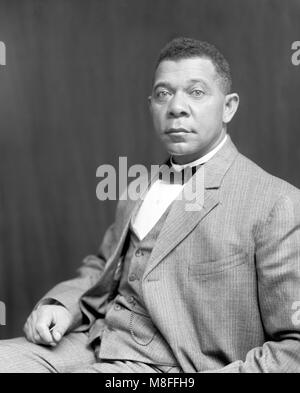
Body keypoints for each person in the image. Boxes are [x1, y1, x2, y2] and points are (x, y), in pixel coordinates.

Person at [1, 36, 300, 373]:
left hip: (173, 369)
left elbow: (295, 348)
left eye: (196, 92)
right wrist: (61, 304)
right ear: (151, 105)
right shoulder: (137, 187)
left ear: (229, 106)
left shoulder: (276, 203)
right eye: (163, 93)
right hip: (94, 340)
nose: (176, 107)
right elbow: (102, 269)